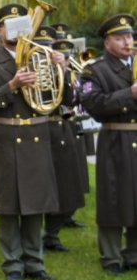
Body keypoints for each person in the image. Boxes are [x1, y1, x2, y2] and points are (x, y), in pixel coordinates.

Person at [0, 4, 71, 280]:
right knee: (9, 206)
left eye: (22, 25)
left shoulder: (42, 57)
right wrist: (12, 86)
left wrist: (61, 69)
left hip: (37, 138)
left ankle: (35, 262)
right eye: (9, 26)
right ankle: (12, 263)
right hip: (7, 138)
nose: (17, 32)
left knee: (35, 204)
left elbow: (64, 99)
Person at [79, 13, 137, 275]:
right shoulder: (96, 70)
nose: (127, 42)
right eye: (120, 37)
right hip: (115, 138)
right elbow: (95, 106)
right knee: (114, 198)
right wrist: (130, 94)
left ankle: (134, 255)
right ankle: (111, 257)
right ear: (107, 43)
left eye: (129, 36)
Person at [42, 39, 86, 252]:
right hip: (37, 129)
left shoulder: (62, 71)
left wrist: (64, 71)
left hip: (60, 128)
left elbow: (72, 100)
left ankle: (52, 234)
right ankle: (33, 236)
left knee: (67, 184)